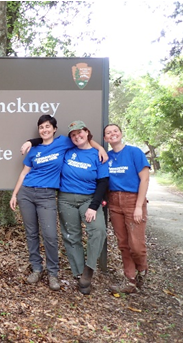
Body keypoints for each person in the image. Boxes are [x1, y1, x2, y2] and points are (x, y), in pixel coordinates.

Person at [9, 114, 70, 291]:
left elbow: (84, 139)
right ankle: (36, 268)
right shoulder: (34, 150)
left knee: (50, 235)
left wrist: (101, 149)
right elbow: (23, 173)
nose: (44, 130)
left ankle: (53, 273)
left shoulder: (62, 143)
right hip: (26, 193)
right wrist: (14, 195)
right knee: (31, 233)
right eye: (41, 127)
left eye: (47, 126)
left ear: (54, 129)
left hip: (47, 195)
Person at [55, 120, 110, 295]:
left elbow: (103, 183)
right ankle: (79, 274)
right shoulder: (67, 151)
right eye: (73, 134)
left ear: (87, 133)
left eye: (80, 133)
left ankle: (89, 268)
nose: (77, 136)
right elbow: (44, 141)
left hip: (89, 200)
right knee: (72, 236)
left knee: (98, 230)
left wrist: (93, 207)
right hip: (66, 199)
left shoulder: (98, 155)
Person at [102, 124, 151, 294]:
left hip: (133, 200)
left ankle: (142, 269)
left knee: (136, 245)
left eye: (115, 131)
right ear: (106, 138)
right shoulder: (106, 157)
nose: (112, 134)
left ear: (121, 134)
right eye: (108, 133)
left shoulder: (134, 152)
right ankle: (130, 281)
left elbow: (144, 180)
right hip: (114, 202)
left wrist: (139, 206)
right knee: (123, 244)